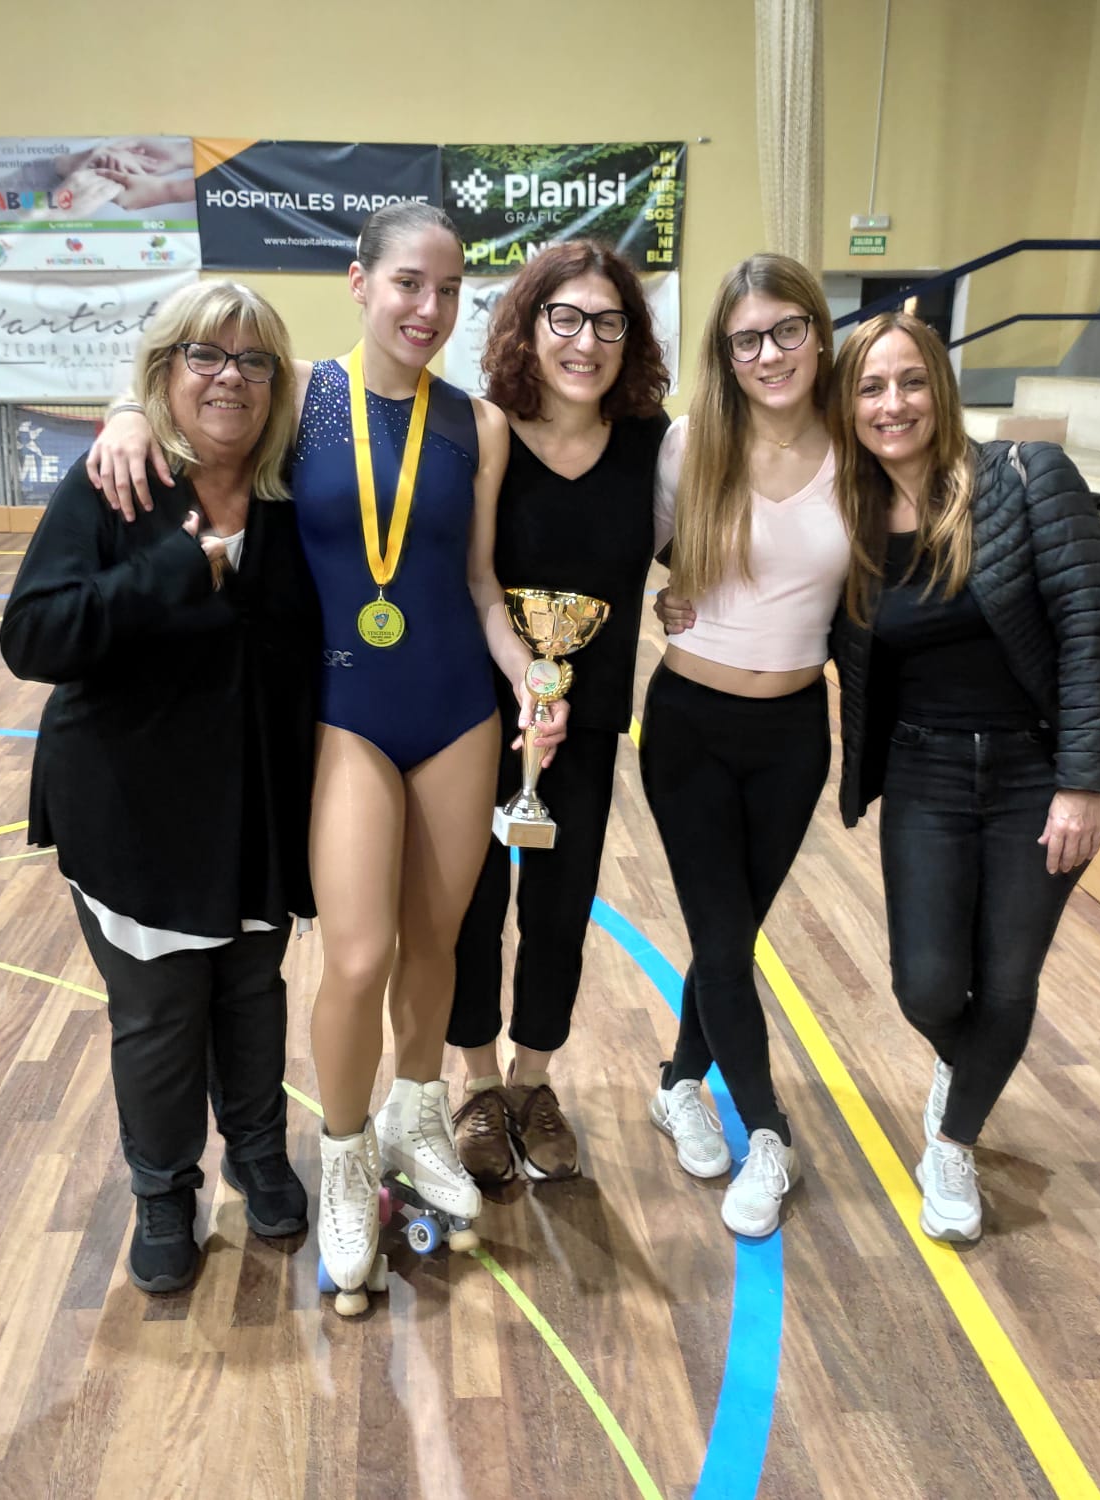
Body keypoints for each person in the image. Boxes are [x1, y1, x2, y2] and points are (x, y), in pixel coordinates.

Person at [85, 202, 565, 1313]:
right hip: (344, 712)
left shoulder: (477, 425)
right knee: (356, 954)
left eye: (447, 290)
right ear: (359, 284)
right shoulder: (299, 398)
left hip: (456, 709)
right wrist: (121, 409)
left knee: (438, 944)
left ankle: (412, 1111)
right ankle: (343, 1154)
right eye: (407, 284)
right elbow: (191, 397)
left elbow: (481, 585)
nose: (427, 309)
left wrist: (526, 670)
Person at [0, 281, 319, 1294]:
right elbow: (32, 637)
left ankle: (258, 1156)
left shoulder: (290, 496)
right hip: (132, 814)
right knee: (158, 1015)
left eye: (253, 361)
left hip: (257, 810)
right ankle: (162, 1187)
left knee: (251, 995)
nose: (229, 377)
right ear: (164, 373)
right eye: (203, 357)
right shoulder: (113, 487)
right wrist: (177, 570)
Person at [826, 311, 1100, 1242]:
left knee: (1007, 983)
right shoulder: (849, 516)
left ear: (942, 388)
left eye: (911, 381)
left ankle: (953, 1143)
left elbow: (1087, 629)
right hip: (924, 771)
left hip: (1037, 776)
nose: (893, 403)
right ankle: (973, 1066)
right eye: (871, 388)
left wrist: (1084, 781)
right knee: (925, 986)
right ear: (849, 406)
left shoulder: (1027, 479)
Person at [446, 241, 671, 1185]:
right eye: (565, 318)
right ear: (528, 326)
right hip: (476, 706)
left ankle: (535, 1082)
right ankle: (476, 1086)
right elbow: (475, 576)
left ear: (630, 336)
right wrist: (134, 406)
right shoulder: (483, 430)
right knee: (470, 905)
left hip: (589, 720)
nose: (585, 340)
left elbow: (713, 535)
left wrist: (690, 591)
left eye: (607, 321)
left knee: (560, 904)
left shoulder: (658, 443)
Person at [643, 254, 851, 1237]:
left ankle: (680, 1079)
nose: (766, 354)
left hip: (792, 737)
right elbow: (647, 553)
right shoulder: (689, 447)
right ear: (723, 355)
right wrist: (659, 591)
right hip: (686, 727)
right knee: (723, 939)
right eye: (744, 340)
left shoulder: (858, 451)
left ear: (816, 332)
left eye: (784, 331)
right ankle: (767, 1133)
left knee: (730, 936)